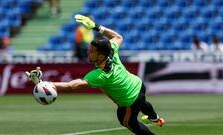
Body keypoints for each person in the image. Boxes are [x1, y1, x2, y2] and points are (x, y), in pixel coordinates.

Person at [25, 14, 165, 135]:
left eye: (92, 51)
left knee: (128, 122)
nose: (88, 52)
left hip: (130, 100)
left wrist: (44, 83)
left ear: (100, 56)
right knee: (143, 102)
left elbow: (71, 86)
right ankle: (154, 117)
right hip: (138, 85)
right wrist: (95, 26)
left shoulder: (100, 75)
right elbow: (118, 36)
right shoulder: (112, 50)